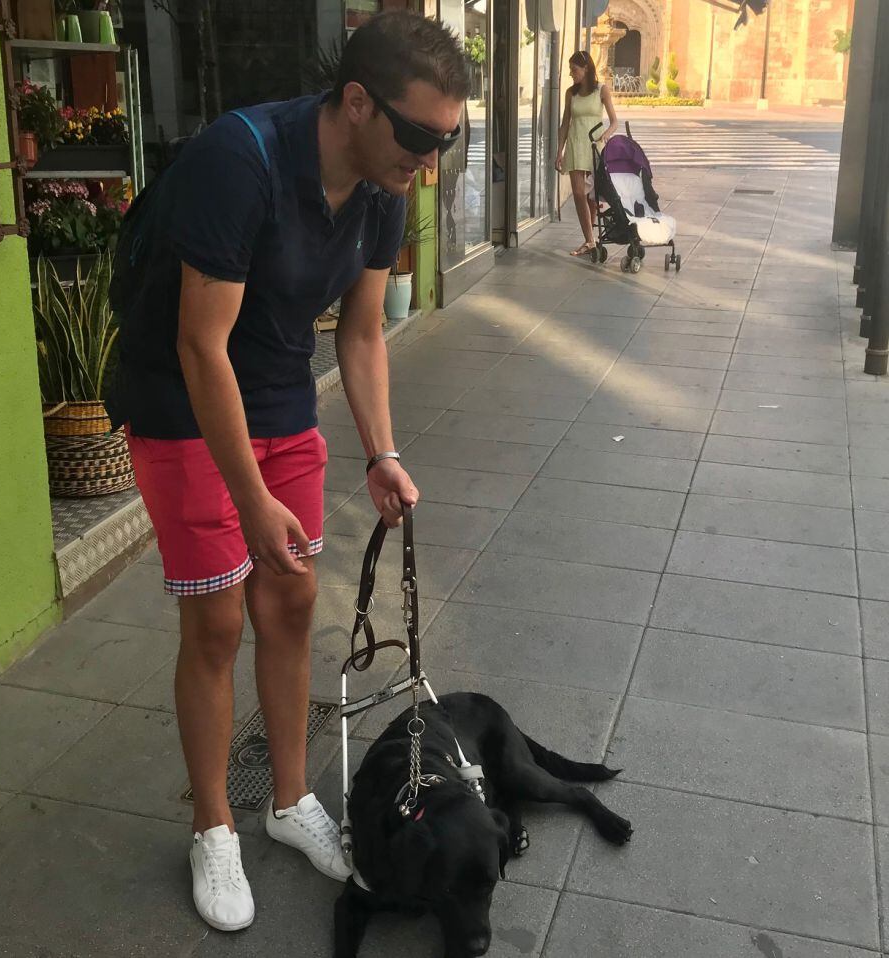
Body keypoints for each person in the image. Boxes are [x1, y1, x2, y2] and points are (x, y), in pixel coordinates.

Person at [106, 11, 468, 933]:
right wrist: (249, 497)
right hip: (182, 398)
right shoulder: (243, 159)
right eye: (420, 137)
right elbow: (198, 345)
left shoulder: (384, 188)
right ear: (356, 102)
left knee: (295, 599)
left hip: (273, 391)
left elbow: (358, 332)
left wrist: (382, 451)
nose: (428, 163)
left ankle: (289, 800)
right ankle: (214, 823)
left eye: (447, 143)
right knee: (218, 620)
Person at [555, 50, 618, 257]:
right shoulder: (570, 93)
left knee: (592, 196)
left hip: (594, 146)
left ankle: (590, 240)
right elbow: (565, 124)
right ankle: (590, 240)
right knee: (579, 194)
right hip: (575, 145)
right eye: (570, 70)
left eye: (574, 70)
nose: (571, 74)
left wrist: (605, 136)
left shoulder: (601, 90)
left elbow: (614, 121)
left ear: (586, 69)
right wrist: (559, 151)